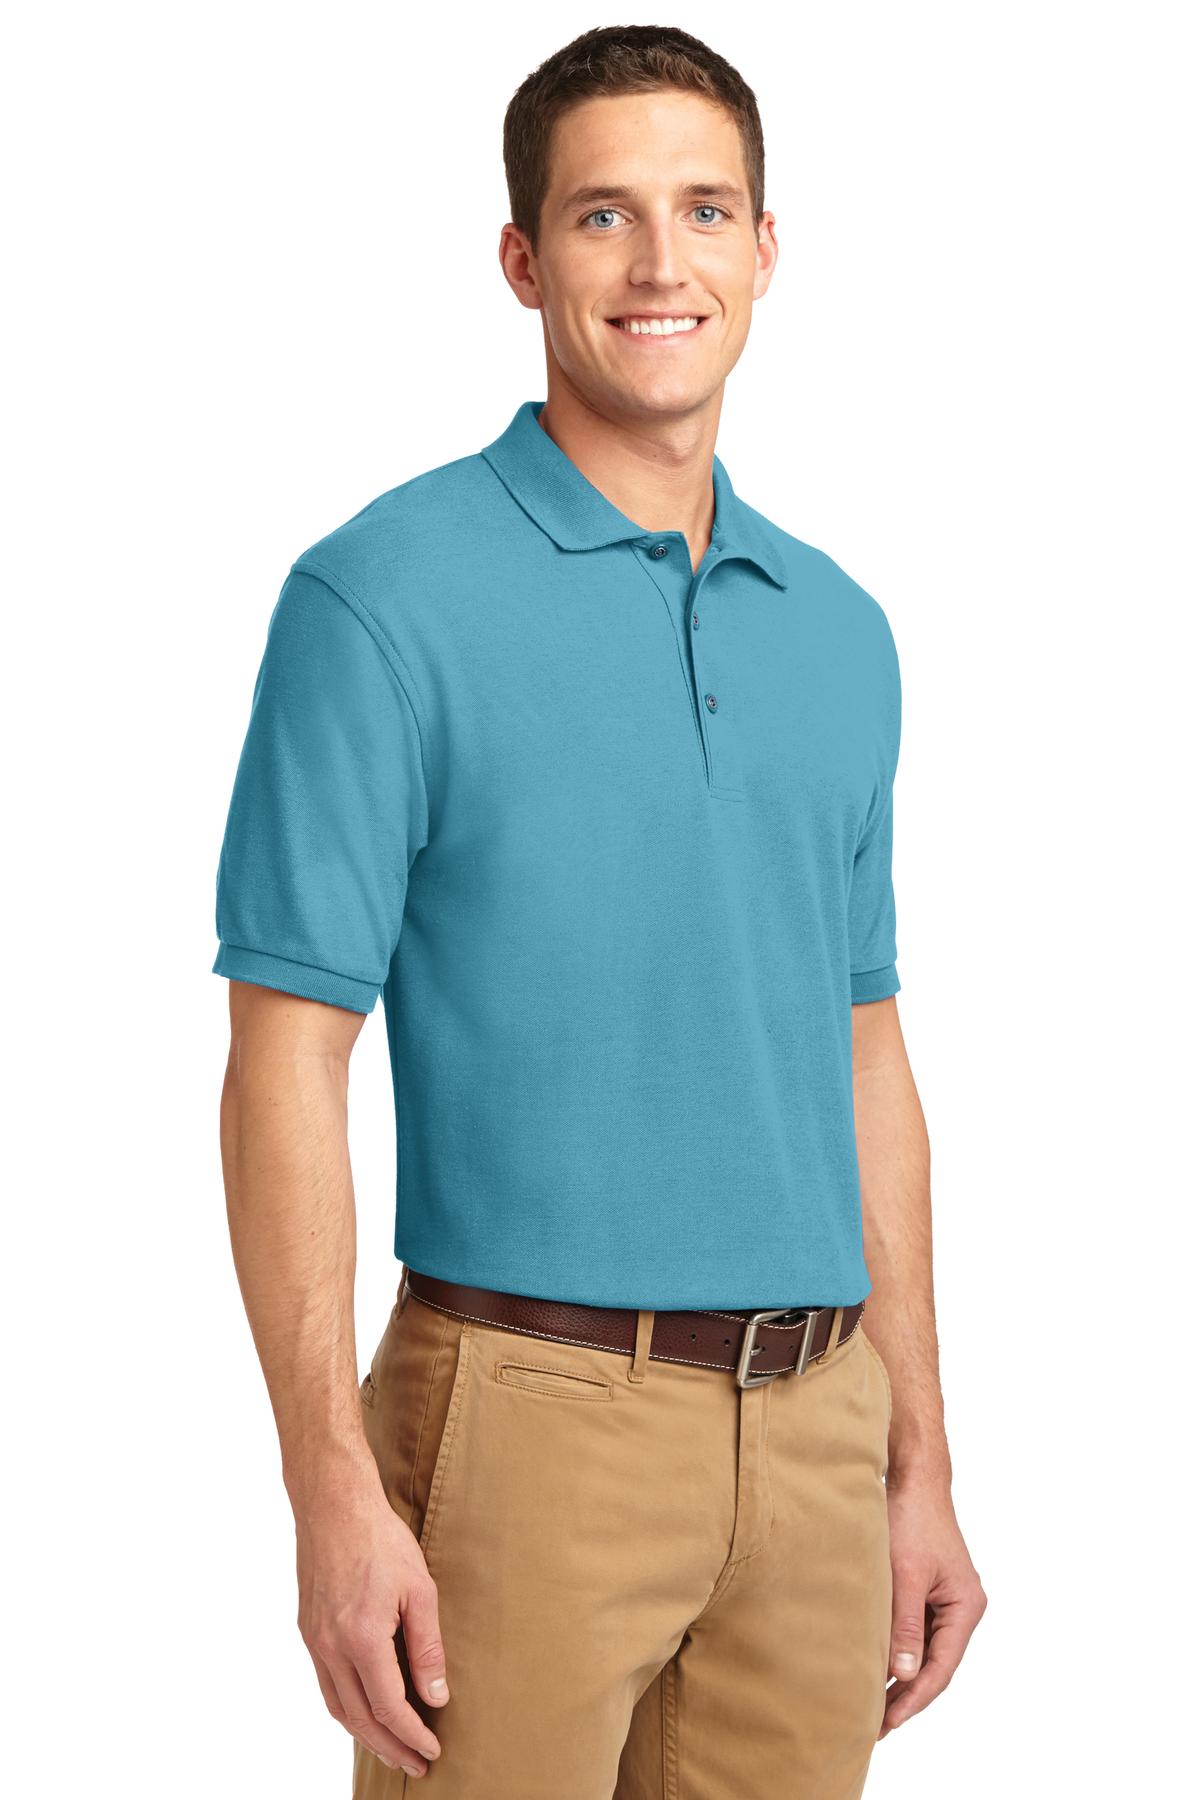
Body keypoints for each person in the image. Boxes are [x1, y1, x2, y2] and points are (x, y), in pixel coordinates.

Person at [212, 23, 986, 1797]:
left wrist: (919, 1455)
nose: (659, 265)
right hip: (523, 1419)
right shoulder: (378, 599)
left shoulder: (839, 628)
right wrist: (329, 1488)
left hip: (819, 1432)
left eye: (704, 211)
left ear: (766, 251)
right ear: (522, 257)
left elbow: (864, 1054)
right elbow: (283, 1063)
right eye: (601, 215)